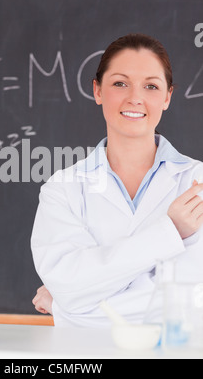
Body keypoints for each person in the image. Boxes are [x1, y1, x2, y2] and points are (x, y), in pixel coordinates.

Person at [31, 33, 203, 327]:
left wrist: (65, 307)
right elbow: (70, 288)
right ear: (98, 91)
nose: (135, 97)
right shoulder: (61, 189)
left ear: (167, 97)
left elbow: (191, 305)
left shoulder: (196, 182)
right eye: (120, 83)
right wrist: (169, 232)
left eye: (151, 86)